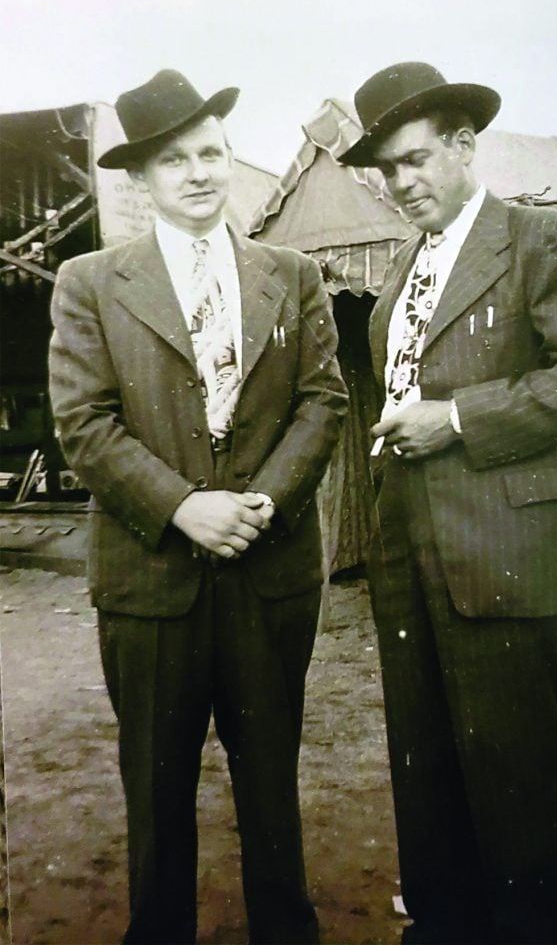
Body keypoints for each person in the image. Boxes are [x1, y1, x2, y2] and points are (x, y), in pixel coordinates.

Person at [49, 69, 347, 945]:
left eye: (210, 152)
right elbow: (82, 422)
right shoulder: (90, 281)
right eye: (173, 160)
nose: (198, 172)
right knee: (156, 790)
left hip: (269, 570)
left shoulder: (290, 274)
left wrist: (261, 502)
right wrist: (184, 508)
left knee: (271, 789)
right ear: (140, 178)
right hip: (150, 580)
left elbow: (323, 400)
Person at [338, 62, 557, 945]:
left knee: (518, 782)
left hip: (505, 554)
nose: (402, 184)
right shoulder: (402, 269)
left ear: (465, 146)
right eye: (387, 170)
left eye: (416, 160)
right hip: (407, 561)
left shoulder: (541, 241)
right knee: (425, 773)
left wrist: (458, 419)